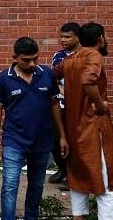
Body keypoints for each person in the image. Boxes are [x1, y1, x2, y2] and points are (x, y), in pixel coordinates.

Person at [0, 37, 68, 220]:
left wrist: (62, 136)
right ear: (15, 57)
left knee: (36, 186)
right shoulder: (3, 78)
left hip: (42, 140)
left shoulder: (47, 74)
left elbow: (54, 105)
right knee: (9, 185)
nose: (32, 63)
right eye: (26, 60)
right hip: (14, 140)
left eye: (35, 58)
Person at [54, 22, 112, 220]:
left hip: (73, 129)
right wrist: (100, 105)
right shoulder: (93, 56)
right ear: (100, 39)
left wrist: (65, 93)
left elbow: (52, 75)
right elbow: (88, 80)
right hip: (93, 130)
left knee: (78, 182)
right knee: (105, 186)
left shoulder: (69, 60)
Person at [48, 22, 81, 189]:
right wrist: (62, 90)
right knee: (56, 139)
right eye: (61, 36)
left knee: (75, 141)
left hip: (78, 106)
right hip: (59, 104)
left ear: (77, 37)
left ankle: (73, 177)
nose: (63, 40)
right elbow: (54, 78)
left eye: (67, 37)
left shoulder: (86, 56)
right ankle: (63, 169)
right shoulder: (59, 56)